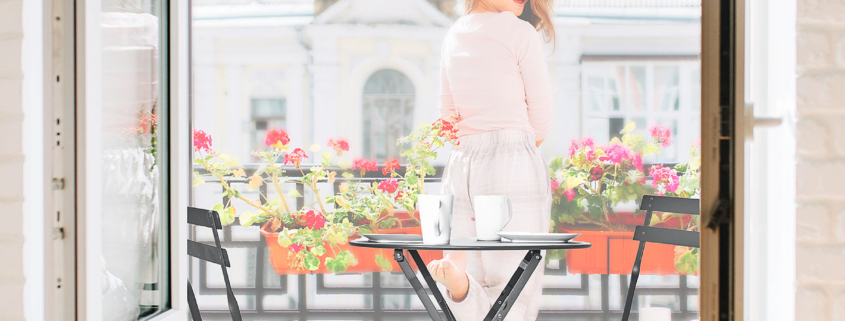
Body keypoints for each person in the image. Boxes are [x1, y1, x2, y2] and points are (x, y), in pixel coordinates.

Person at [424, 0, 556, 320]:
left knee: (471, 269)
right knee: (514, 285)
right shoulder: (520, 32)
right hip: (512, 161)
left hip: (461, 167)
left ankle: (461, 287)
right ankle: (462, 284)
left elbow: (447, 118)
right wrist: (514, 150)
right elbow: (541, 117)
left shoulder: (454, 34)